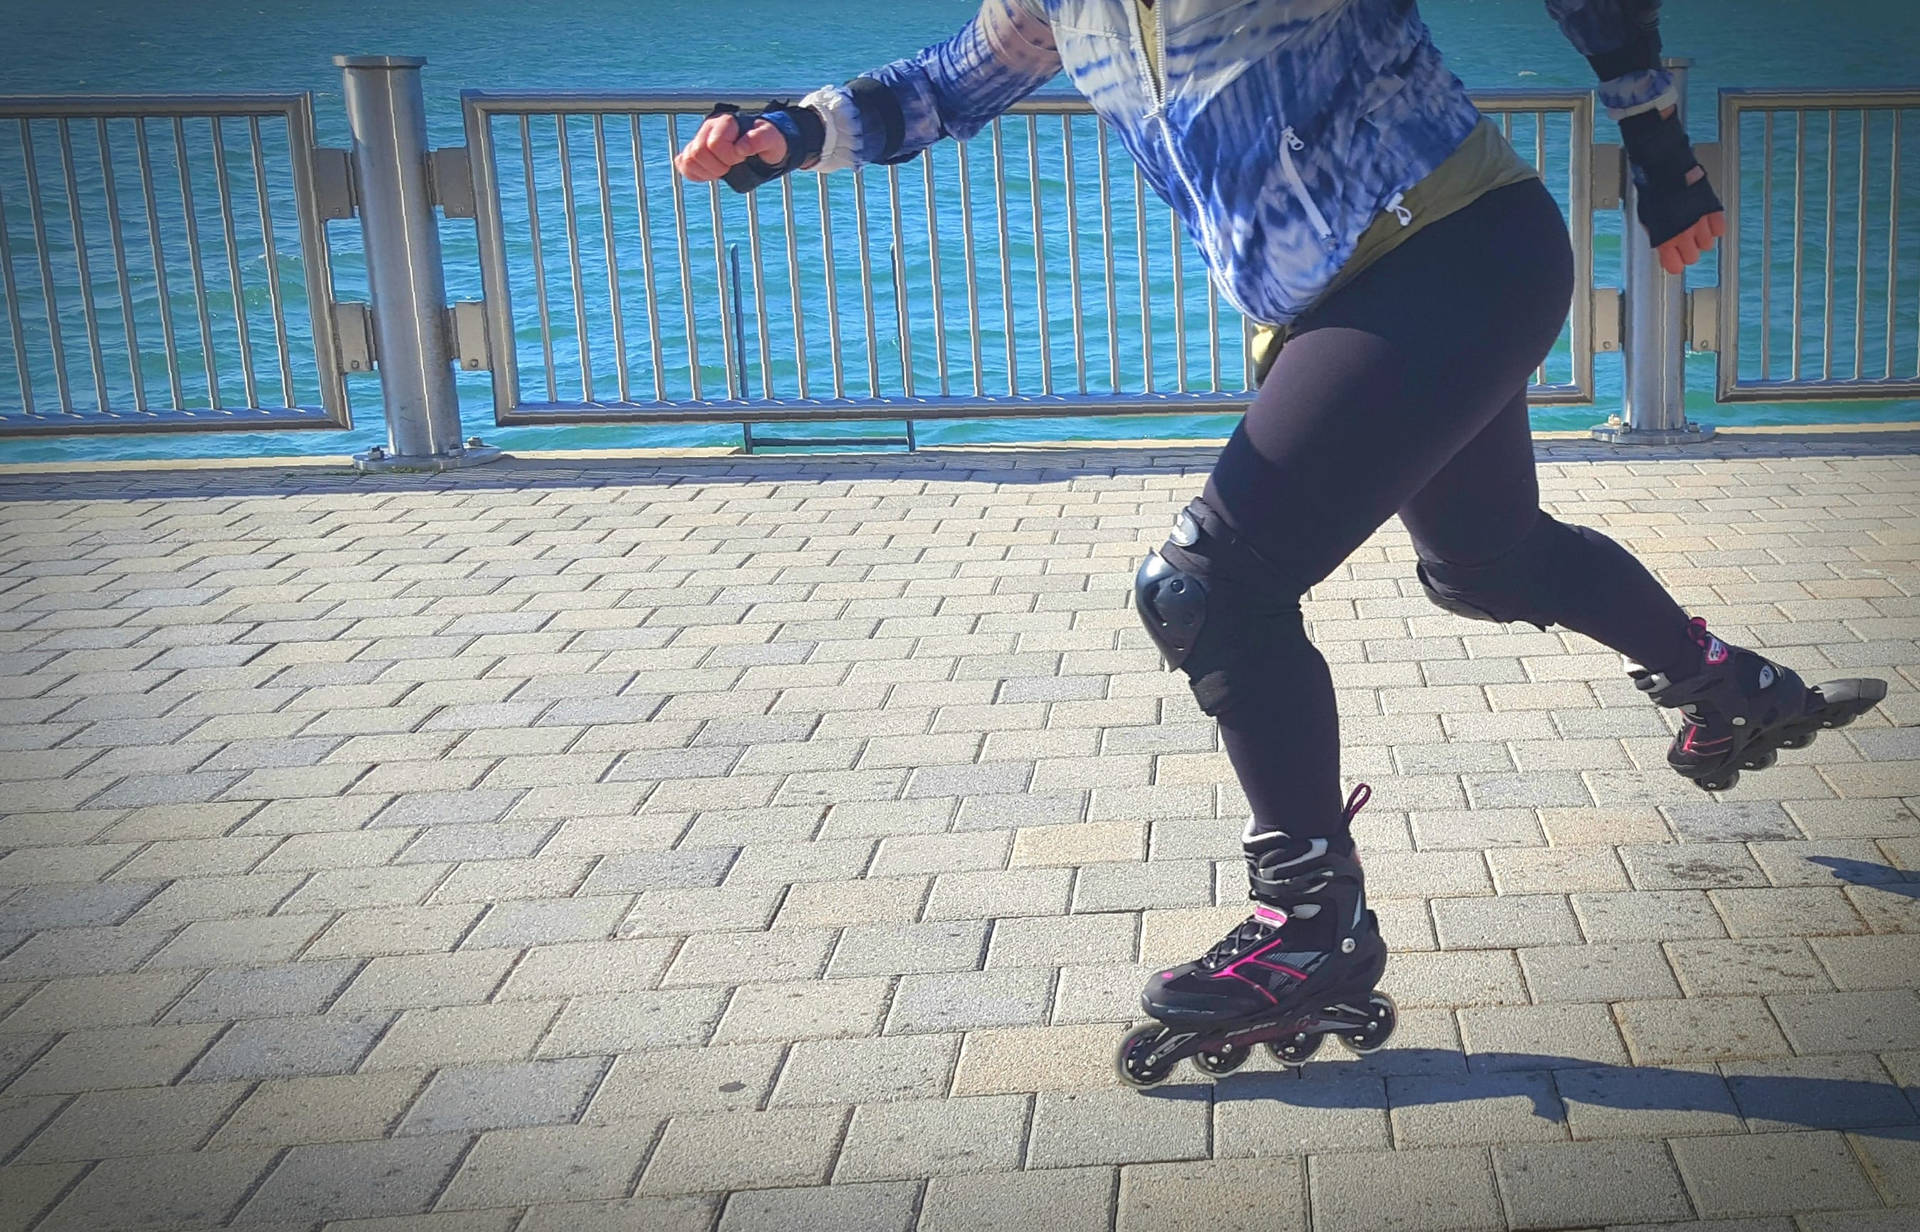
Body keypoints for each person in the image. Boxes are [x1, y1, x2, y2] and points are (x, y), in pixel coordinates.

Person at [674, 0, 1888, 1085]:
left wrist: (1660, 148)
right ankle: (1723, 683)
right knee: (1490, 563)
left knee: (1207, 587)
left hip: (1449, 248)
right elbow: (941, 84)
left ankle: (1312, 925)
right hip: (1361, 299)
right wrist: (789, 129)